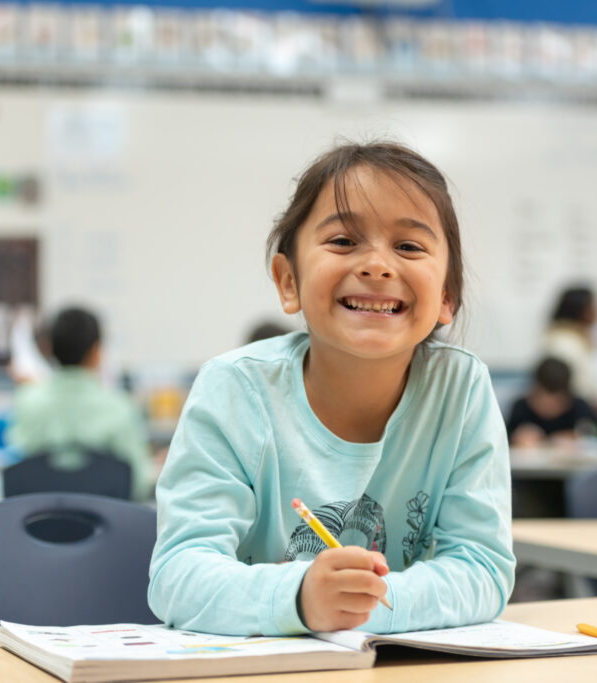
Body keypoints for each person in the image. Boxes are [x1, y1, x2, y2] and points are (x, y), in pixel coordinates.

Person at [148, 142, 515, 637]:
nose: (377, 265)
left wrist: (366, 603)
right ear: (288, 281)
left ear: (447, 296)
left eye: (408, 246)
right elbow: (178, 575)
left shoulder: (460, 388)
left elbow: (482, 567)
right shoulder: (234, 389)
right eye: (343, 241)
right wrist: (299, 600)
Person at [5, 306, 154, 501]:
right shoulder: (119, 407)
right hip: (108, 526)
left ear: (49, 348)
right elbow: (139, 484)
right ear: (96, 350)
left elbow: (20, 469)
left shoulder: (27, 402)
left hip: (39, 525)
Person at [506, 356, 597, 448]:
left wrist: (576, 436)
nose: (550, 407)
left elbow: (595, 432)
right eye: (544, 400)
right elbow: (506, 436)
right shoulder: (520, 408)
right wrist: (516, 438)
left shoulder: (580, 408)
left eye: (557, 401)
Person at [541, 285, 597, 413]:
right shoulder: (563, 342)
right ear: (580, 310)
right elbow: (562, 385)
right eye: (592, 306)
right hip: (572, 412)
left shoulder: (581, 338)